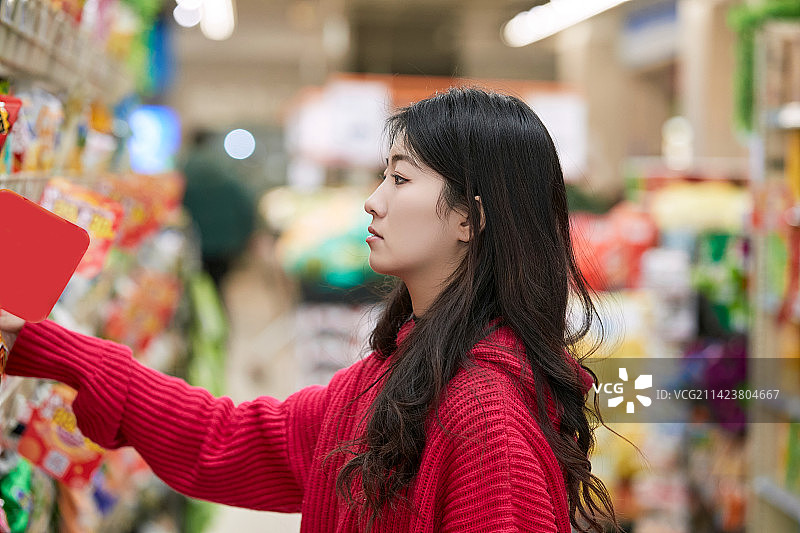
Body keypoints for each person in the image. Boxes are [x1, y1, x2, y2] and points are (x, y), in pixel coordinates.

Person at [0, 88, 623, 532]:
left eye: (400, 180)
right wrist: (46, 342)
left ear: (471, 217)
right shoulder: (391, 381)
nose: (372, 202)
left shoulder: (485, 420)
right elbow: (227, 441)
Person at [181, 129, 256, 290]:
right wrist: (246, 235)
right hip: (226, 240)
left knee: (199, 286)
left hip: (197, 239)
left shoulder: (185, 169)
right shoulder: (224, 167)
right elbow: (244, 204)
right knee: (219, 282)